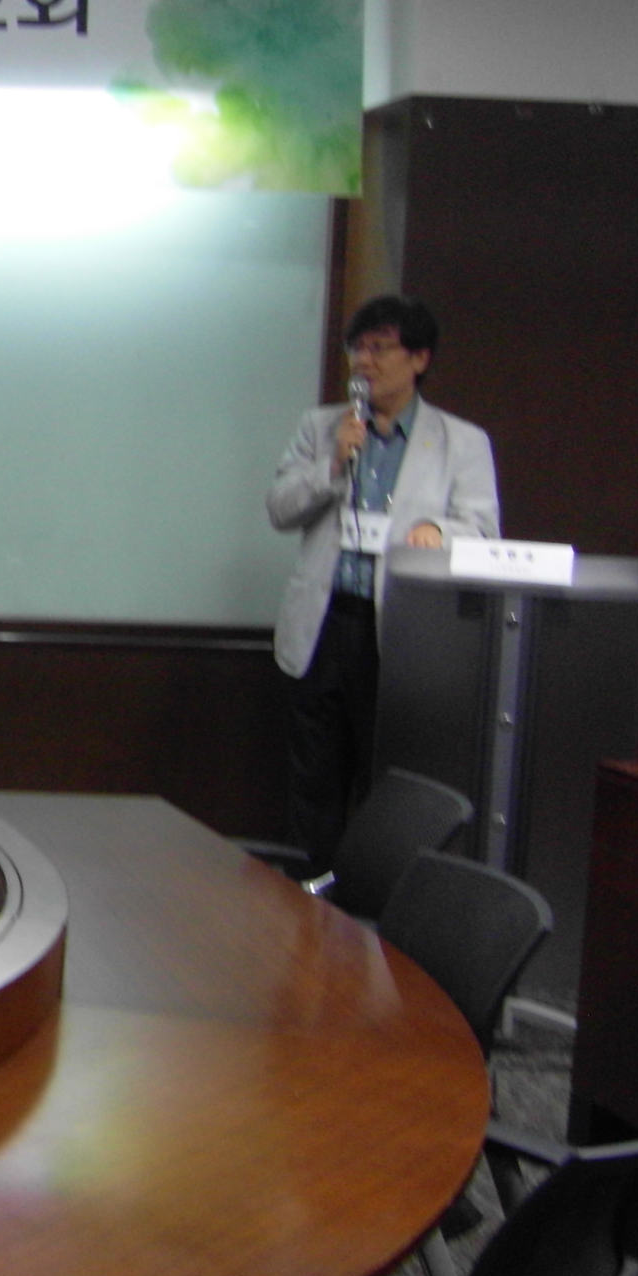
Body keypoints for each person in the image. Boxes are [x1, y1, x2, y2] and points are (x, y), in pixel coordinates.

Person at [268, 294, 498, 869]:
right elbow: (279, 509)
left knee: (384, 782)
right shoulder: (322, 428)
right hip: (322, 625)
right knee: (313, 784)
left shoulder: (461, 442)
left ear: (419, 359)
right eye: (358, 349)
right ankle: (303, 900)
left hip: (398, 633)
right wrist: (332, 466)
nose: (364, 362)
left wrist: (438, 532)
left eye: (380, 348)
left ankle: (369, 906)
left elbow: (482, 530)